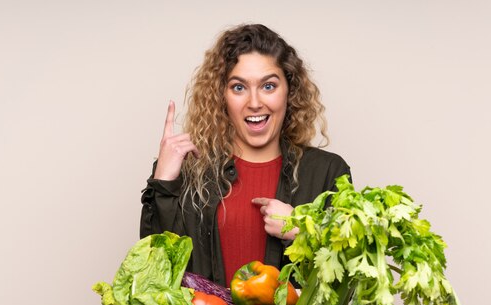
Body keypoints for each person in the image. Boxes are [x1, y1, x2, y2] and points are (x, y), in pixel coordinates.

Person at [140, 23, 351, 287]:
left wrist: (303, 233)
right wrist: (163, 183)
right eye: (239, 87)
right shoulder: (189, 170)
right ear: (221, 96)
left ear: (290, 91)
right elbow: (152, 280)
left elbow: (345, 283)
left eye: (269, 86)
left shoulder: (327, 172)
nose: (254, 102)